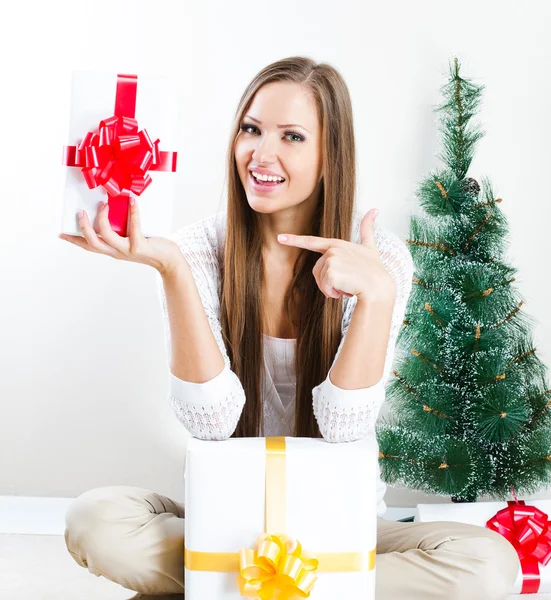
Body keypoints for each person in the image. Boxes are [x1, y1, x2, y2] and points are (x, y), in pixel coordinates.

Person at [60, 56, 520, 599]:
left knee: (489, 565)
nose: (262, 154)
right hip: (226, 518)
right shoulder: (193, 251)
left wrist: (376, 298)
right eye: (251, 129)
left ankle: (231, 585)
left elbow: (342, 427)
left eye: (293, 136)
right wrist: (174, 273)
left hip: (339, 524)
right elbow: (212, 421)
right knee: (97, 521)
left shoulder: (380, 260)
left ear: (330, 157)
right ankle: (306, 588)